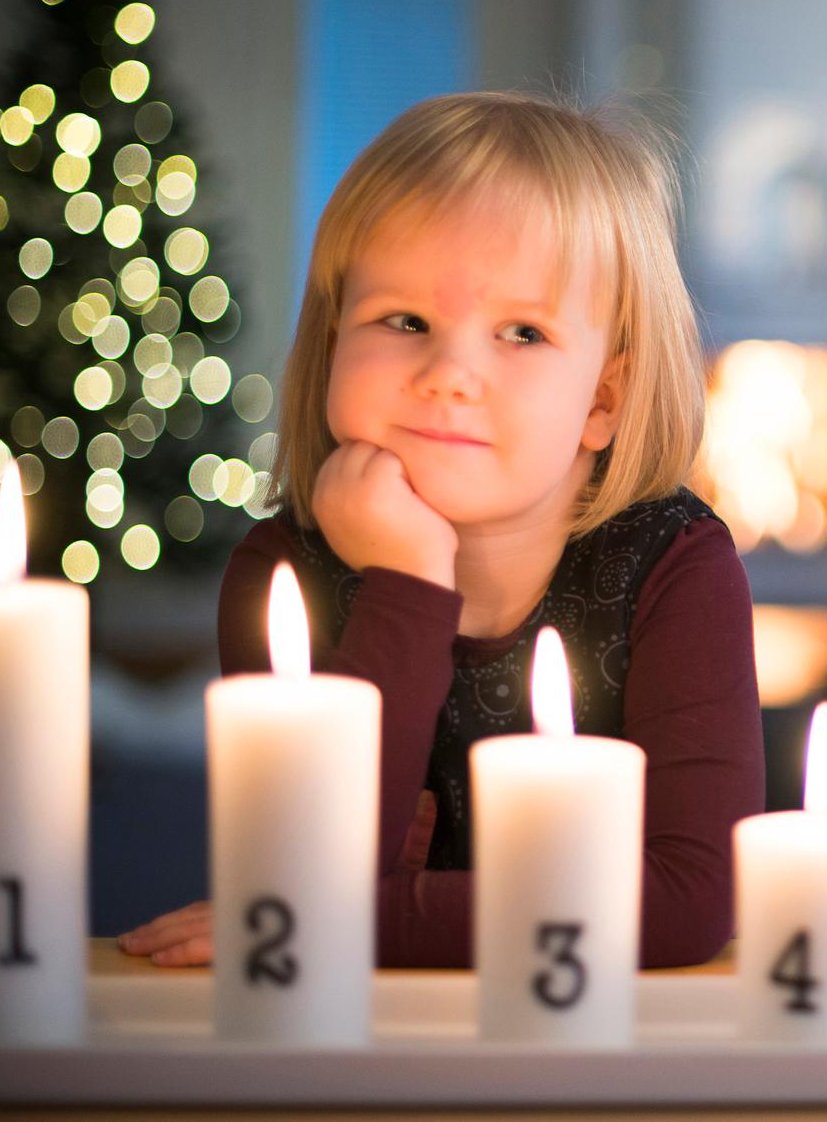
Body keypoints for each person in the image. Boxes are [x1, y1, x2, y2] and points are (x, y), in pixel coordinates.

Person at [119, 90, 765, 972]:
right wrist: (411, 585)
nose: (450, 373)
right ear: (335, 339)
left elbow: (691, 899)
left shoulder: (673, 569)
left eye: (522, 332)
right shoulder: (283, 576)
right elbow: (310, 871)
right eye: (406, 321)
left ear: (603, 400)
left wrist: (351, 919)